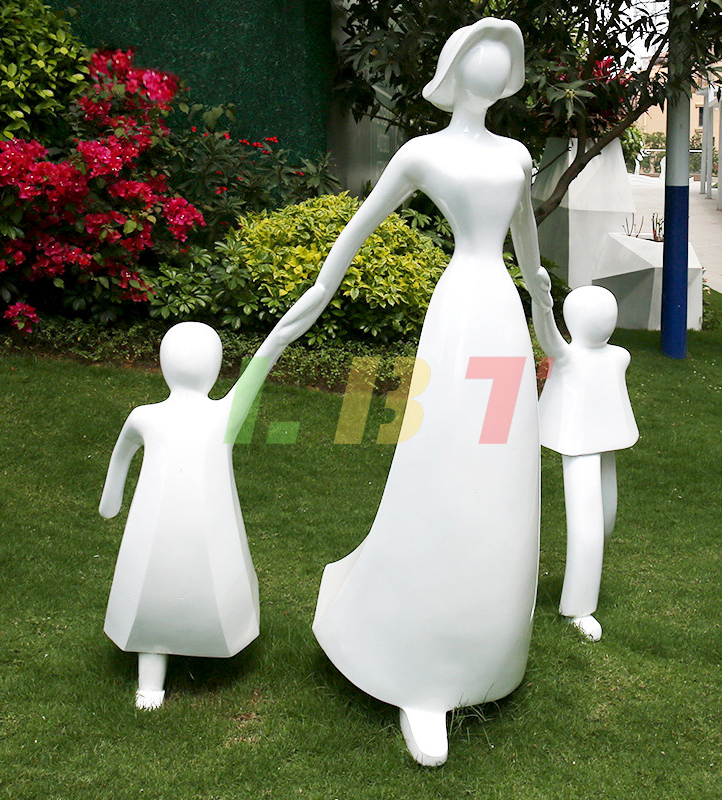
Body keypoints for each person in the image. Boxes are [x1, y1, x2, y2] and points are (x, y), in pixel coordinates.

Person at [259, 18, 552, 766]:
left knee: (500, 476)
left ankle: (488, 648)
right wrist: (315, 297)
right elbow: (357, 229)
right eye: (482, 54)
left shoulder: (516, 156)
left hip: (501, 323)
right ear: (456, 68)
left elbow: (531, 256)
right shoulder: (422, 153)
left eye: (506, 58)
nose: (495, 66)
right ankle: (418, 668)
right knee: (442, 466)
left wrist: (548, 326)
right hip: (459, 321)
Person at [99, 321, 276, 709]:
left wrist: (110, 501)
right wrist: (283, 332)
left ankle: (152, 676)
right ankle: (199, 649)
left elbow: (120, 459)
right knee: (209, 576)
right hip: (207, 522)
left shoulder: (146, 416)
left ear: (164, 363)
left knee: (151, 582)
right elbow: (267, 355)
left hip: (153, 523)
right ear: (215, 367)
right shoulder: (223, 413)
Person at [531, 284, 639, 642]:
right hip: (577, 443)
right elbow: (548, 335)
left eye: (609, 313)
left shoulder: (618, 356)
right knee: (587, 527)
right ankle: (579, 607)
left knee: (605, 519)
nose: (605, 321)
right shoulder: (566, 355)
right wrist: (542, 302)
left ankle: (586, 567)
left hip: (607, 440)